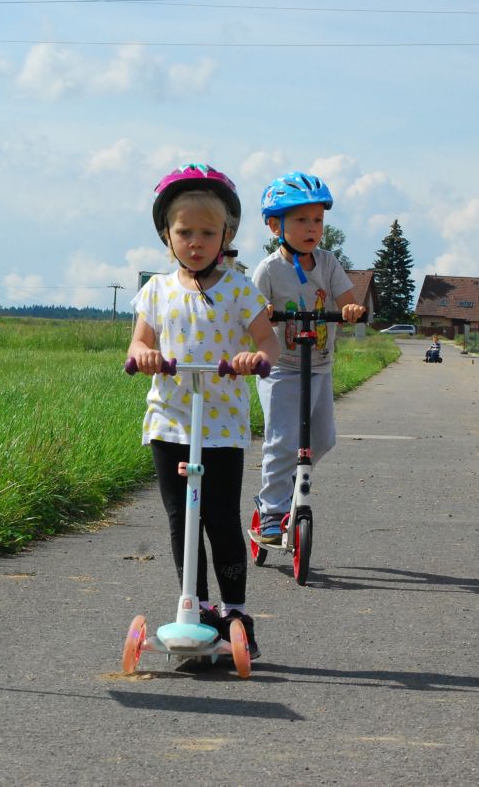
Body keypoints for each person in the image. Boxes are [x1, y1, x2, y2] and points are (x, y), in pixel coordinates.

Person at [127, 163, 281, 653]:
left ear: (226, 236)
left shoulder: (239, 289)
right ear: (166, 236)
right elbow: (138, 344)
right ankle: (195, 604)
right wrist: (144, 355)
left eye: (208, 233)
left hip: (221, 426)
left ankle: (235, 610)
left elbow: (268, 342)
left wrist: (254, 358)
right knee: (181, 518)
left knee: (219, 517)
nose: (195, 242)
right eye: (184, 232)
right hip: (170, 422)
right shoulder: (157, 291)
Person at [251, 172, 366, 544]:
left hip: (319, 366)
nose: (312, 227)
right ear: (275, 226)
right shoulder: (269, 270)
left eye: (317, 219)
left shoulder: (328, 262)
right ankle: (271, 511)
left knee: (323, 438)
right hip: (281, 369)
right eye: (301, 220)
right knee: (283, 441)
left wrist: (350, 310)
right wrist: (265, 313)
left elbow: (347, 299)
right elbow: (251, 314)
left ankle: (288, 482)